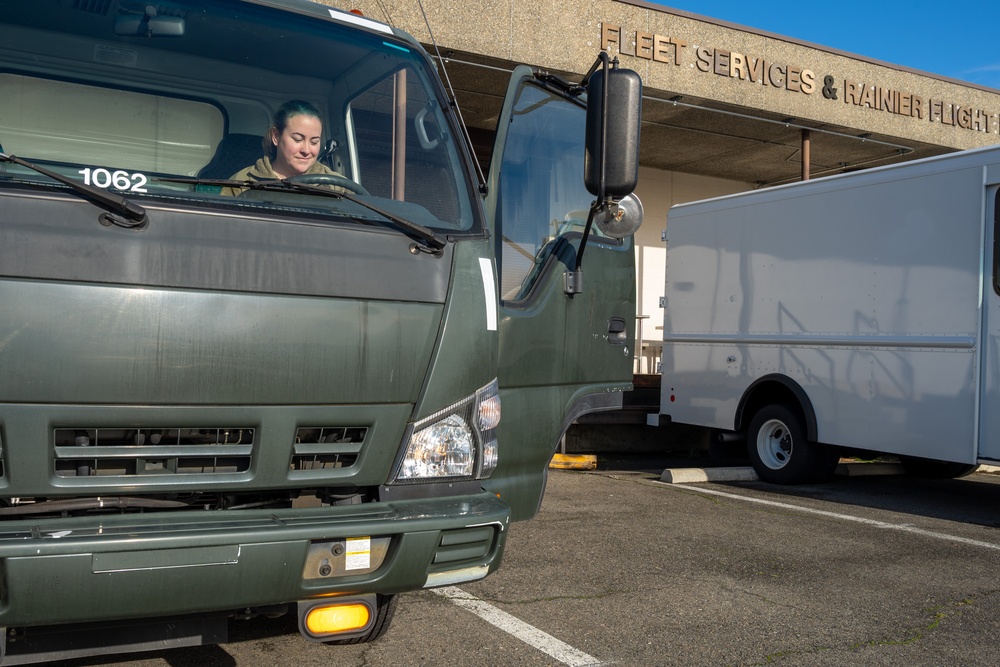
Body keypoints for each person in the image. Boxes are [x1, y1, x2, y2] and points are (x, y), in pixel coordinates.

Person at [221, 100, 345, 196]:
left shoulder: (338, 186)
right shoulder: (242, 181)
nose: (306, 150)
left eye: (314, 142)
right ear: (276, 137)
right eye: (298, 139)